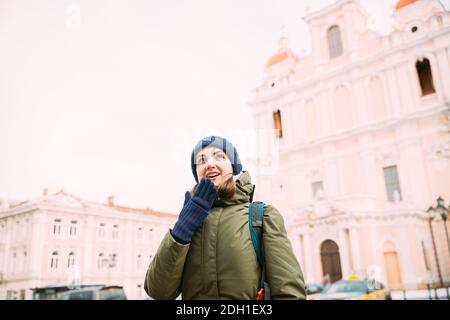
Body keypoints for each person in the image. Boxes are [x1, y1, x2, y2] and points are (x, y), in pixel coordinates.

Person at [144, 135, 306, 299]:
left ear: (234, 167)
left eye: (219, 156)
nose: (209, 164)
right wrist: (182, 230)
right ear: (197, 173)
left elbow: (289, 293)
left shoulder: (263, 216)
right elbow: (159, 292)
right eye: (201, 160)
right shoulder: (187, 224)